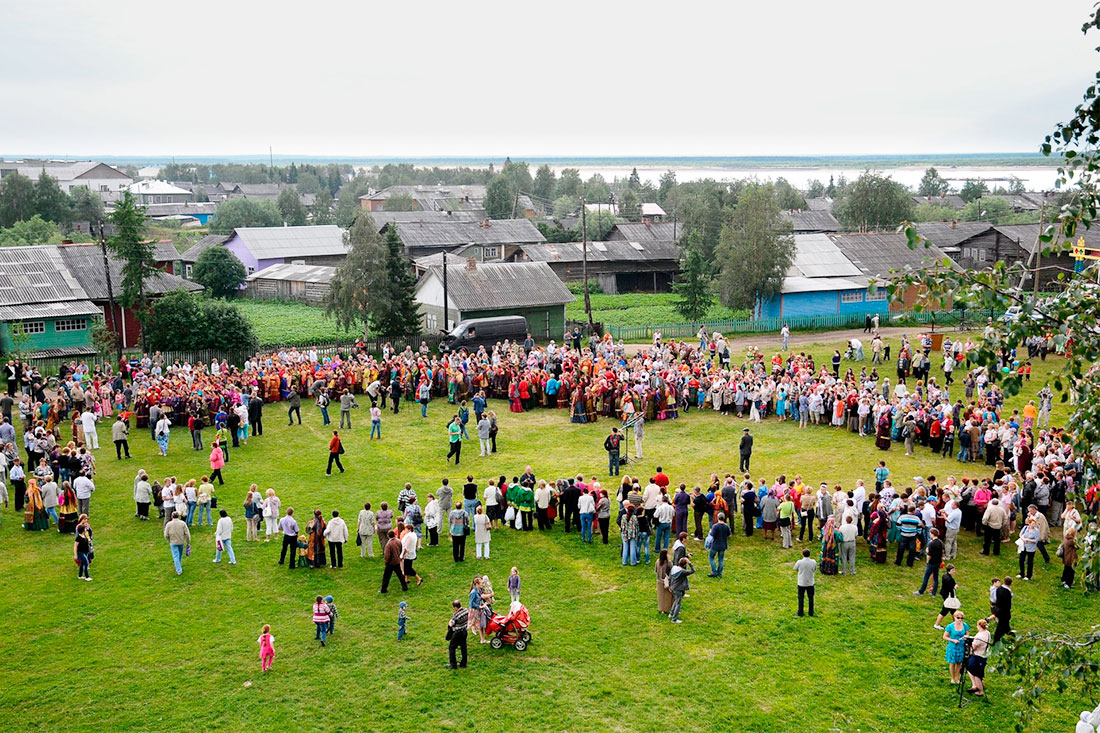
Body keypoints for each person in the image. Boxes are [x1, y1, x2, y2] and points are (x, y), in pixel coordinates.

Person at [943, 611, 970, 685]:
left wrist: (966, 637)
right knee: (952, 663)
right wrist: (953, 640)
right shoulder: (950, 626)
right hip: (953, 647)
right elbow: (944, 637)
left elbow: (967, 634)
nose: (960, 619)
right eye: (958, 618)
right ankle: (952, 677)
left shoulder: (964, 625)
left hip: (961, 646)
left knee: (959, 663)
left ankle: (957, 678)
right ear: (954, 617)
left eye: (961, 618)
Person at [967, 618, 991, 697]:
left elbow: (974, 647)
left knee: (976, 673)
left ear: (979, 626)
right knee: (974, 671)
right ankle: (975, 686)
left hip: (978, 655)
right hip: (984, 655)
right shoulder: (987, 633)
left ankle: (979, 691)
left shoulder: (979, 636)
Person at [668, 556, 695, 623]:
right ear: (684, 565)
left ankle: (671, 614)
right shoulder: (682, 572)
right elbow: (693, 570)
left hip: (673, 587)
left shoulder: (674, 568)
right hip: (678, 589)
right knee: (678, 603)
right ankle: (674, 619)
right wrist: (690, 563)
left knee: (675, 601)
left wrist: (669, 586)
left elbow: (670, 577)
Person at [918, 528, 944, 595]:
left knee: (926, 577)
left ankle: (921, 591)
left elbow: (929, 555)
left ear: (932, 534)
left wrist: (927, 561)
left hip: (931, 563)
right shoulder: (940, 542)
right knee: (936, 578)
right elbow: (942, 553)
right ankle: (934, 593)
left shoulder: (931, 543)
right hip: (937, 562)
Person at [164, 511, 190, 576]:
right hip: (181, 541)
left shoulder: (169, 524)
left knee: (175, 555)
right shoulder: (182, 523)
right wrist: (188, 541)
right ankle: (178, 566)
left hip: (173, 542)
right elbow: (187, 533)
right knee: (179, 555)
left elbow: (166, 535)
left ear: (172, 516)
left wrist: (169, 540)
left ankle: (178, 569)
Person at [934, 565, 959, 630]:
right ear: (949, 571)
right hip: (949, 596)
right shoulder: (950, 579)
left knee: (952, 611)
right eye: (952, 570)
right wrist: (955, 587)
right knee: (946, 611)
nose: (954, 571)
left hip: (945, 594)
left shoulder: (945, 576)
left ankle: (956, 624)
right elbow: (952, 587)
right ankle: (937, 624)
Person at [990, 576, 1014, 646]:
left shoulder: (999, 589)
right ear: (1010, 584)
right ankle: (995, 641)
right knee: (1000, 628)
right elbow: (1008, 605)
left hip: (998, 609)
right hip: (1004, 612)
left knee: (1006, 627)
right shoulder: (1007, 592)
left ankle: (1013, 637)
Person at [707, 512, 731, 578]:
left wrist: (710, 532)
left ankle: (714, 572)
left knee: (711, 558)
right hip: (723, 545)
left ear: (718, 518)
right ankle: (720, 573)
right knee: (721, 559)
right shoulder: (726, 526)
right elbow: (729, 535)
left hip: (715, 545)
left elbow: (712, 535)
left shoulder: (715, 526)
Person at [795, 548, 817, 617]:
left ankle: (800, 612)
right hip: (810, 582)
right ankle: (811, 612)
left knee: (800, 598)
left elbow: (795, 568)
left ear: (802, 554)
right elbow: (815, 569)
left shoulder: (799, 562)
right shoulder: (813, 562)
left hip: (801, 582)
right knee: (811, 598)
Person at [447, 599, 469, 669]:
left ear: (455, 607)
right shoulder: (466, 611)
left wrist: (449, 622)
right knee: (463, 647)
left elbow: (451, 624)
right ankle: (463, 663)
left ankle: (453, 664)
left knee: (452, 647)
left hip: (458, 633)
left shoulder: (456, 615)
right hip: (464, 631)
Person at [400, 519, 422, 585]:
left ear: (409, 529)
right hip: (412, 553)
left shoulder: (409, 536)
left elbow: (406, 547)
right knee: (408, 567)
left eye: (406, 529)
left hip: (408, 554)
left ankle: (418, 578)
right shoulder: (413, 534)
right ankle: (407, 579)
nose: (405, 530)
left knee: (408, 568)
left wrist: (402, 555)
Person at [655, 549, 673, 616]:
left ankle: (662, 609)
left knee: (661, 597)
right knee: (668, 596)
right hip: (667, 581)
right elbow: (672, 571)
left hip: (659, 581)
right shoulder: (669, 563)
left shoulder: (657, 561)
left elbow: (656, 570)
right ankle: (668, 608)